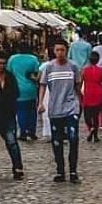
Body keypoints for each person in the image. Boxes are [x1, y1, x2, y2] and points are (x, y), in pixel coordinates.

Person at [38, 40, 83, 183]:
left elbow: (78, 85)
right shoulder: (49, 67)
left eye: (62, 50)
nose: (60, 53)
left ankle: (73, 171)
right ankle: (60, 170)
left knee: (73, 138)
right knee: (56, 141)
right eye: (57, 50)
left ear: (66, 50)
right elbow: (43, 86)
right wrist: (40, 103)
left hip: (71, 107)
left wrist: (79, 102)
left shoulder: (73, 67)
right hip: (55, 109)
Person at [5, 42, 42, 141]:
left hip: (17, 89)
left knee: (21, 111)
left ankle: (23, 132)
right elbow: (37, 72)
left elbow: (8, 72)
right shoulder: (33, 59)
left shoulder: (12, 59)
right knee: (32, 111)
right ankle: (32, 132)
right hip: (31, 89)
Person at [80, 51, 102, 143]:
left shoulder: (84, 70)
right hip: (98, 94)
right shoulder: (101, 70)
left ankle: (90, 127)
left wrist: (79, 94)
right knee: (95, 116)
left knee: (87, 115)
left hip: (88, 93)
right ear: (98, 60)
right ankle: (95, 136)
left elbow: (80, 83)